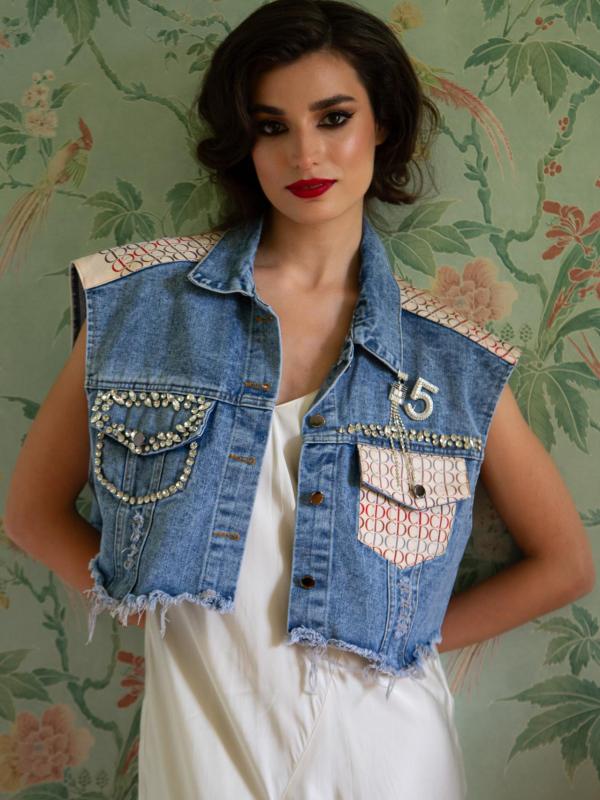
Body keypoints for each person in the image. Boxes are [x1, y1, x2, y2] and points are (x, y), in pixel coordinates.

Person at [5, 1, 595, 798]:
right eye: (271, 126)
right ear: (243, 141)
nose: (305, 152)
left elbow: (565, 565)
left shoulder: (449, 357)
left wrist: (403, 633)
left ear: (382, 125)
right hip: (203, 751)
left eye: (334, 117)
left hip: (392, 757)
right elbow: (31, 513)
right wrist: (157, 603)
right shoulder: (140, 308)